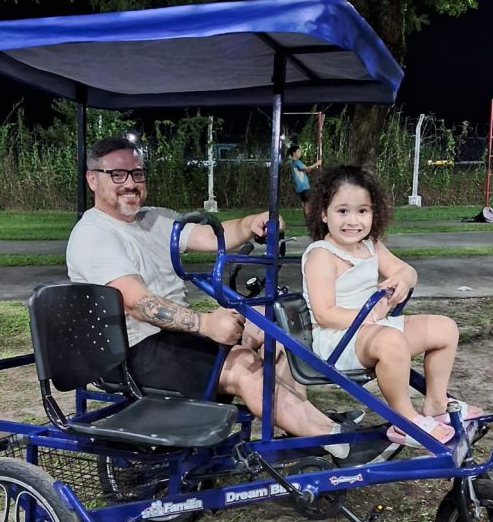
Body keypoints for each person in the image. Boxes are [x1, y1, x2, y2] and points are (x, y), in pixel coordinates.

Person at [66, 137, 387, 465]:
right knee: (245, 368)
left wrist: (250, 224)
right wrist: (204, 324)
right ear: (93, 179)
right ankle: (339, 442)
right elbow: (135, 302)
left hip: (172, 338)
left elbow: (211, 236)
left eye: (137, 174)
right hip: (133, 352)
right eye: (118, 175)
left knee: (272, 320)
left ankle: (304, 428)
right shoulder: (95, 235)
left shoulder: (153, 219)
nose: (130, 184)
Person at [302, 165, 483, 449]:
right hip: (337, 339)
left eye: (363, 211)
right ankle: (404, 418)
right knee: (391, 342)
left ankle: (436, 402)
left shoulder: (371, 246)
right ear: (324, 214)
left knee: (445, 329)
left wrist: (400, 279)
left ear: (375, 213)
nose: (353, 221)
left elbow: (408, 271)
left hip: (373, 328)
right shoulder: (322, 255)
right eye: (342, 211)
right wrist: (373, 314)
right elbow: (325, 314)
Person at [287, 141, 320, 215]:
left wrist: (314, 166)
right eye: (298, 151)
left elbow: (307, 169)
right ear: (293, 153)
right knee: (308, 203)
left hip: (301, 187)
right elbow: (307, 169)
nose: (300, 153)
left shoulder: (294, 163)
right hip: (303, 187)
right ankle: (308, 218)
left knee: (305, 202)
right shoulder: (296, 162)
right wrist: (317, 164)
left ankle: (307, 217)